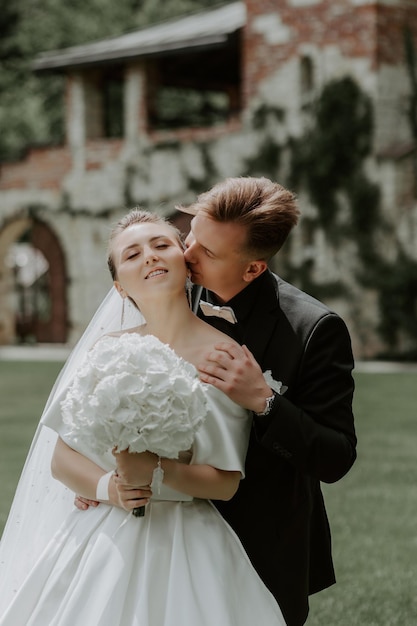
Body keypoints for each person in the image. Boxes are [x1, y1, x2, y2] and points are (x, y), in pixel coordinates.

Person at [0, 209, 286, 625]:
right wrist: (109, 487)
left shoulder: (223, 357)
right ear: (119, 286)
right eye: (132, 254)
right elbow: (62, 460)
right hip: (101, 532)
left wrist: (153, 470)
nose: (150, 256)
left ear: (185, 264)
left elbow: (225, 482)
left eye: (161, 245)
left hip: (182, 538)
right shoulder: (106, 352)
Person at [114, 177, 357, 626]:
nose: (185, 255)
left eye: (207, 252)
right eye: (191, 236)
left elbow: (336, 457)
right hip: (165, 526)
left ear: (253, 269)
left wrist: (264, 402)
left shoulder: (314, 329)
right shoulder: (166, 292)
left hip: (264, 538)